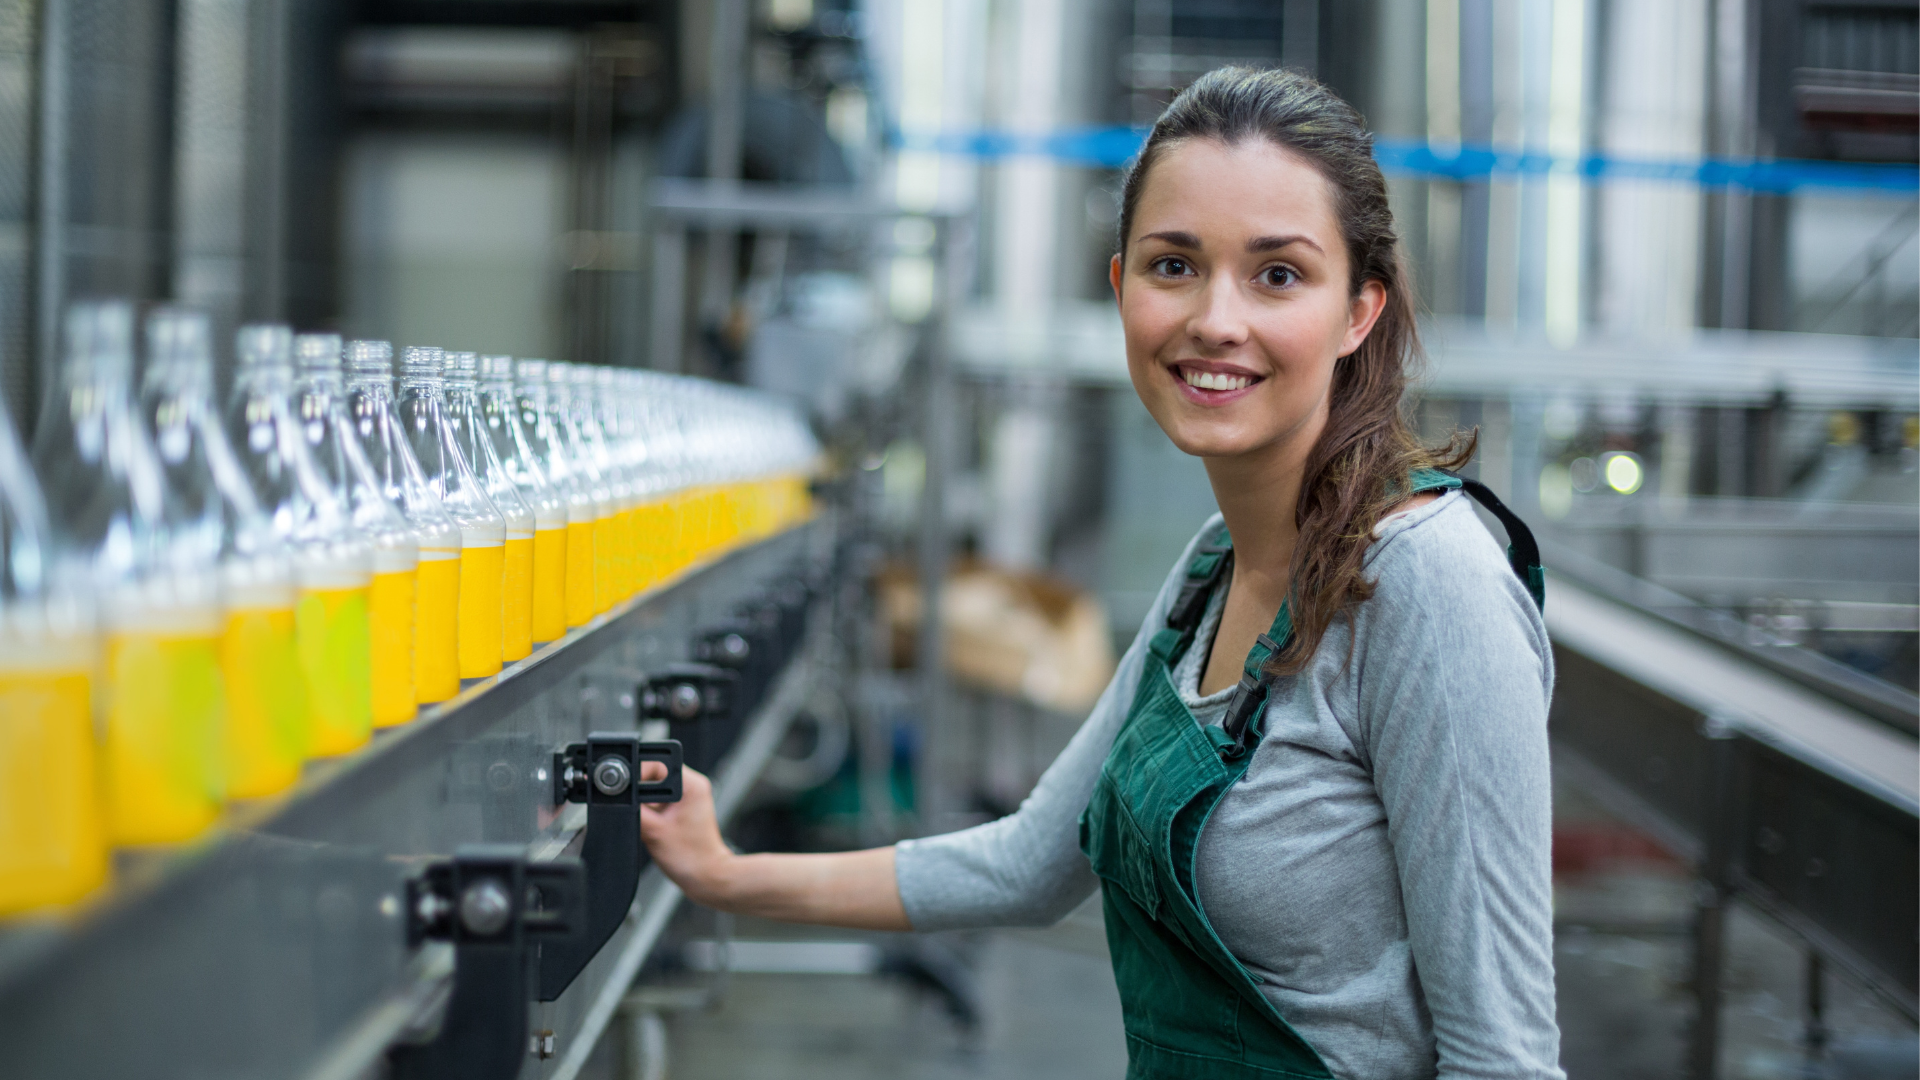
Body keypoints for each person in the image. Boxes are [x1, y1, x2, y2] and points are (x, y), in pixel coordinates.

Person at [639, 66, 1563, 1080]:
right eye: (1176, 265)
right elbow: (1032, 863)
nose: (1216, 319)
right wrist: (725, 874)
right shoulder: (1212, 572)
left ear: (1360, 312)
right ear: (1123, 288)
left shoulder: (1431, 583)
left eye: (1279, 275)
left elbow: (1504, 1060)